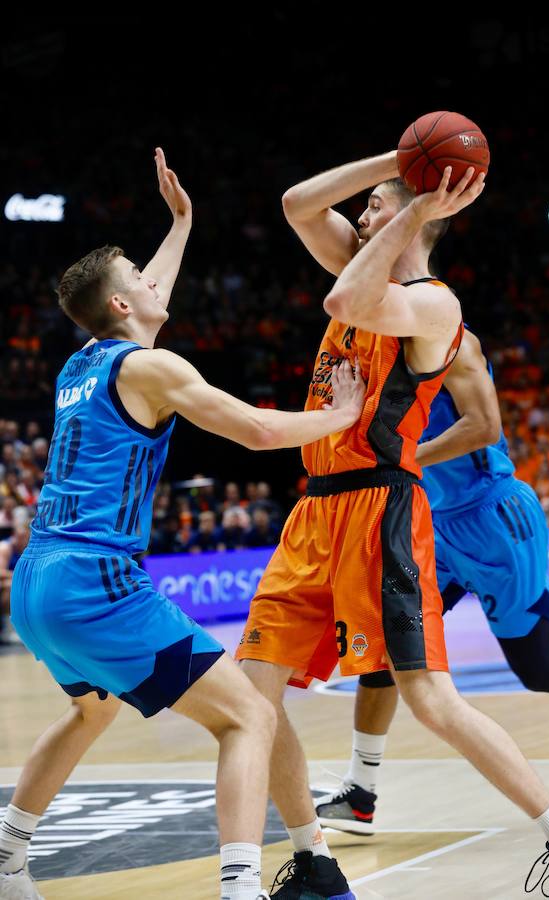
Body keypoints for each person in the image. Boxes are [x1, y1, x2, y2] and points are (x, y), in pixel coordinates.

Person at [0, 148, 365, 900]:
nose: (151, 280)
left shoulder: (83, 364)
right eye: (138, 276)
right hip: (97, 582)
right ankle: (239, 889)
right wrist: (340, 415)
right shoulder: (152, 370)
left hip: (36, 580)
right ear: (125, 307)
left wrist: (181, 221)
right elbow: (256, 432)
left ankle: (6, 859)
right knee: (245, 719)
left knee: (88, 711)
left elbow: (140, 295)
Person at [236, 150, 549, 899]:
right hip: (315, 510)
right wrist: (398, 161)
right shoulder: (364, 261)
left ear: (412, 219)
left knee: (443, 694)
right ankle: (316, 862)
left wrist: (413, 209)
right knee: (251, 696)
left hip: (387, 507)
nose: (360, 214)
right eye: (368, 206)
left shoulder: (434, 307)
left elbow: (346, 305)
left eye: (374, 205)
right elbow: (296, 200)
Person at [315, 326, 549, 836]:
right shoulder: (377, 347)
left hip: (494, 519)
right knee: (383, 642)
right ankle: (360, 794)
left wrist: (405, 460)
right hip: (437, 523)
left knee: (542, 668)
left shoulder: (450, 340)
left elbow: (485, 427)